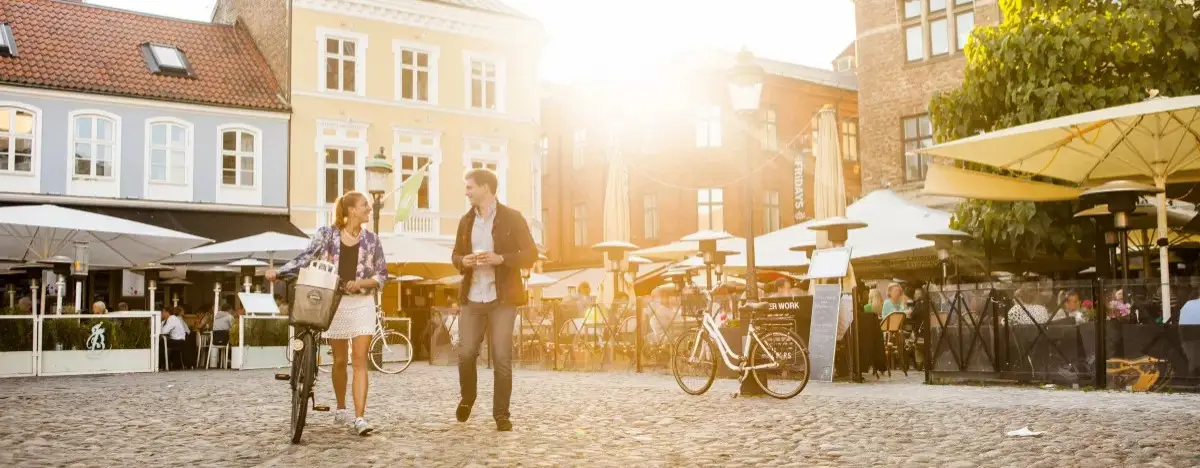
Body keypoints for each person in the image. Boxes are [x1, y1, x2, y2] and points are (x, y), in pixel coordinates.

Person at [267, 190, 386, 436]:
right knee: (340, 360)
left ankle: (360, 417)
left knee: (361, 359)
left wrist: (361, 283)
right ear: (352, 209)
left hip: (362, 304)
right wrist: (279, 272)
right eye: (365, 205)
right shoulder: (327, 235)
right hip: (334, 302)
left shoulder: (373, 240)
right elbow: (306, 257)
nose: (369, 209)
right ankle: (341, 407)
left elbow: (382, 274)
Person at [451, 168, 537, 432]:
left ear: (485, 188)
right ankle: (468, 397)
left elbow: (531, 253)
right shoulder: (466, 221)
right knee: (465, 354)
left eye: (470, 187)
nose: (466, 192)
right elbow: (455, 255)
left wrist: (502, 259)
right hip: (473, 296)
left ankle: (501, 414)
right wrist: (463, 261)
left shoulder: (512, 218)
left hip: (502, 299)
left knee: (501, 358)